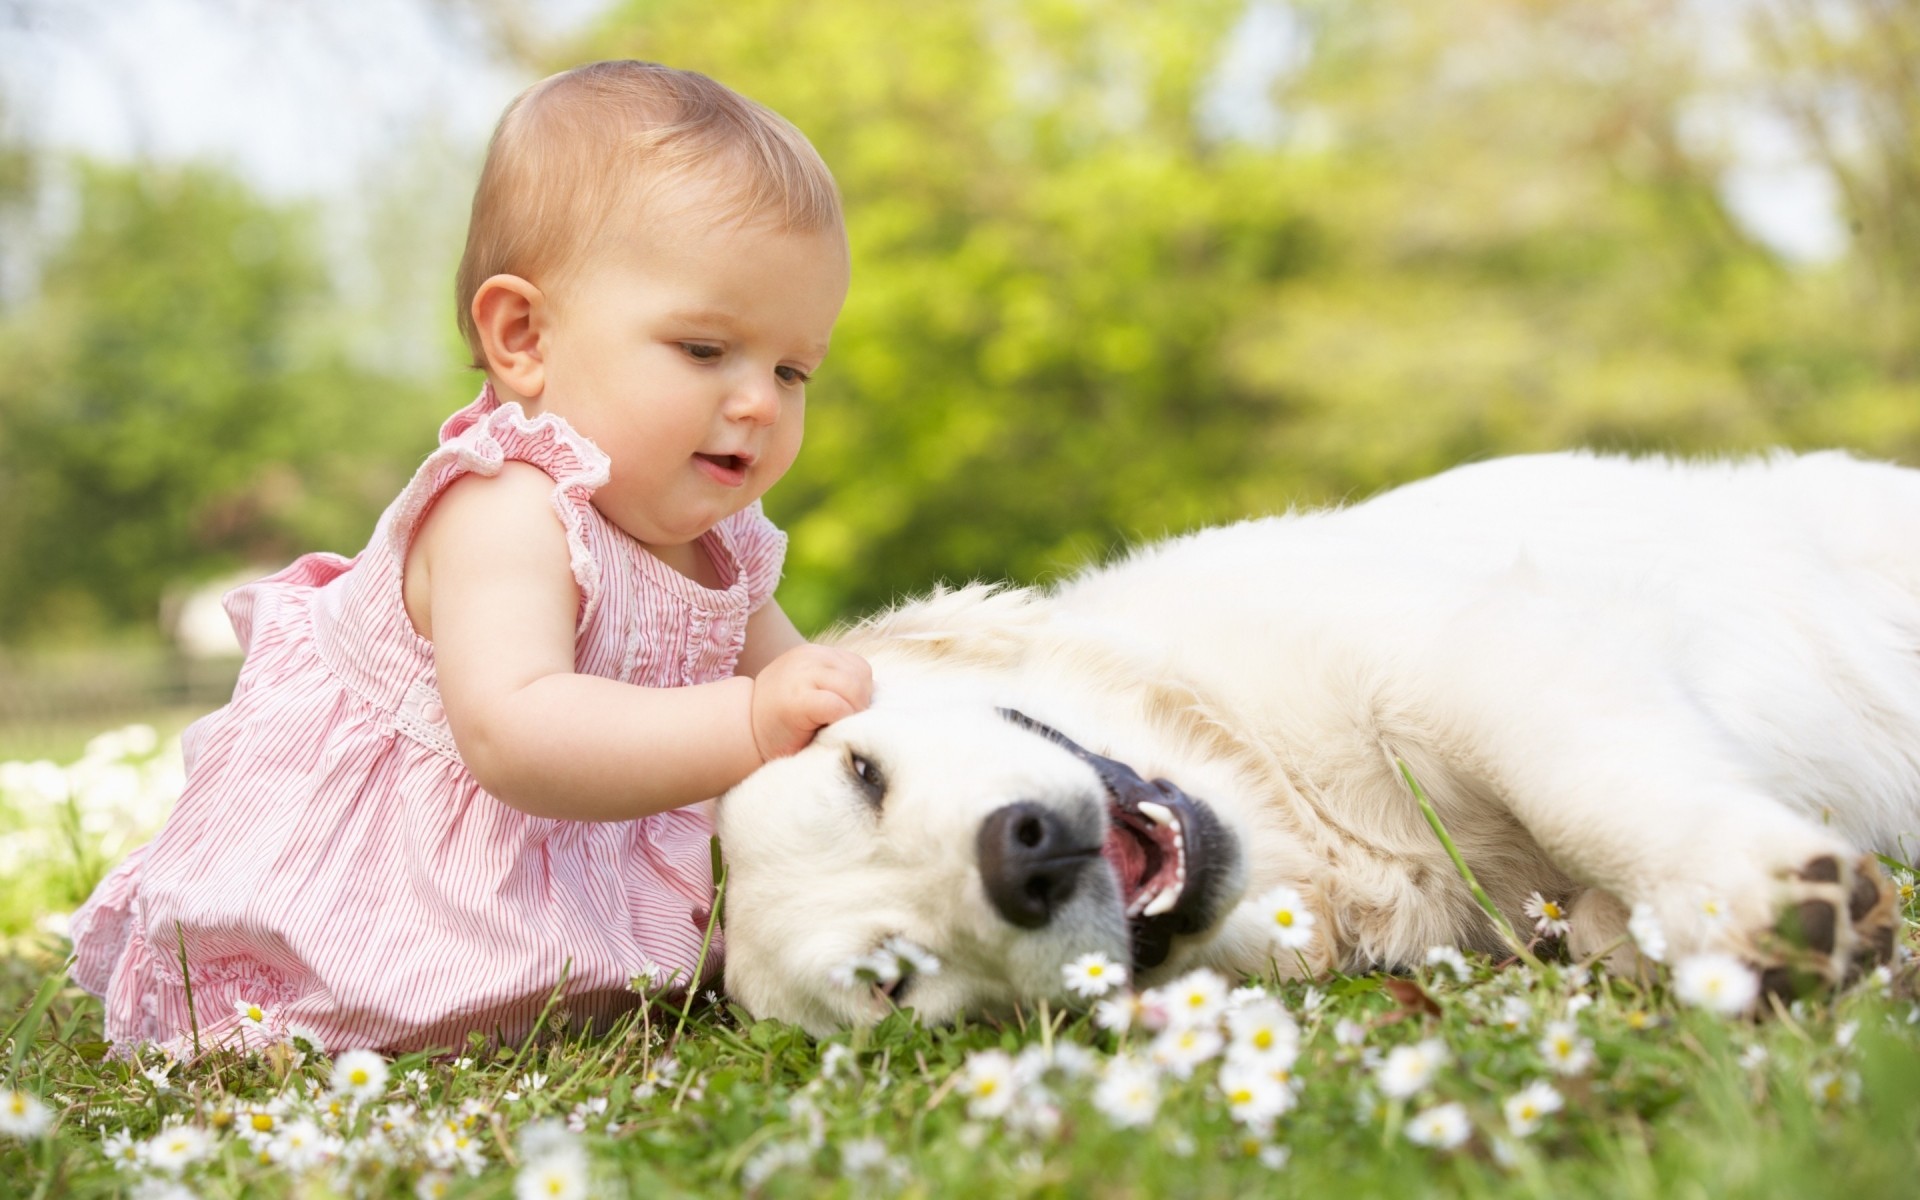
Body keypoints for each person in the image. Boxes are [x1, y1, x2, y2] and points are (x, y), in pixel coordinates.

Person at [67, 60, 873, 1055]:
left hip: (572, 865)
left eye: (793, 369)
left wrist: (828, 702)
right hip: (404, 880)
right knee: (344, 1009)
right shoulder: (504, 506)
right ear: (522, 335)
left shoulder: (727, 544)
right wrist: (753, 719)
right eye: (707, 351)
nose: (759, 401)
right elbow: (519, 733)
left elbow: (795, 682)